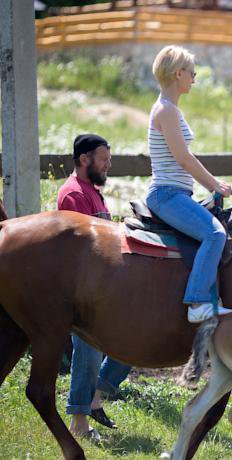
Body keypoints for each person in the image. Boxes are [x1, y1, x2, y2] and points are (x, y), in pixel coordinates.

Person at [145, 45, 232, 323]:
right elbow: (183, 158)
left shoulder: (168, 108)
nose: (194, 79)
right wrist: (214, 185)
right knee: (215, 234)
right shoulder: (167, 111)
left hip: (175, 192)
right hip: (167, 194)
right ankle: (197, 302)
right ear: (178, 73)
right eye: (192, 73)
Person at [57, 133, 133, 440]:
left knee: (132, 340)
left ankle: (96, 395)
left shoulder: (93, 192)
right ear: (84, 160)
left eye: (110, 160)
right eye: (104, 160)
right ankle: (78, 419)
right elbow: (84, 248)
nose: (109, 166)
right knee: (87, 351)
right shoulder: (73, 195)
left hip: (103, 286)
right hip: (83, 289)